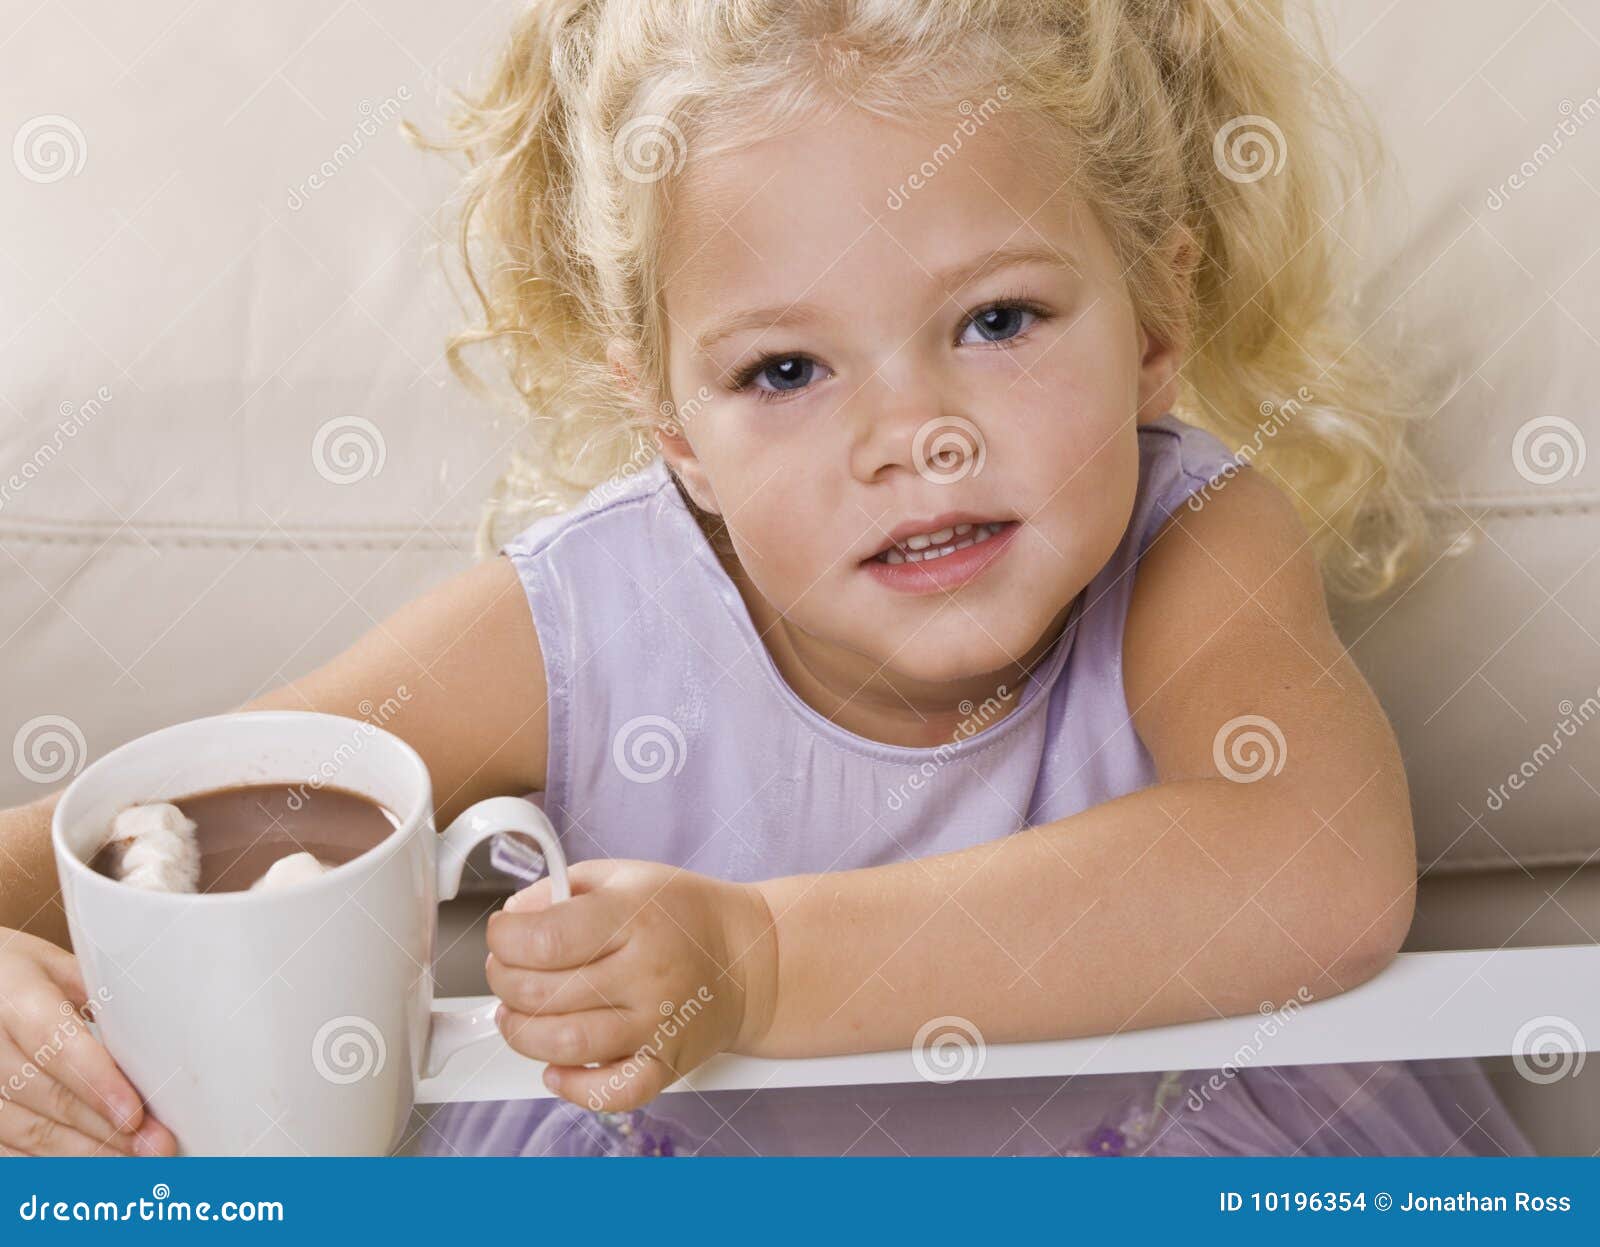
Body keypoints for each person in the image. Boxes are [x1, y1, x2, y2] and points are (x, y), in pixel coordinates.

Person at [0, 0, 1532, 1158]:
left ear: (1151, 318)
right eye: (787, 368)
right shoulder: (583, 629)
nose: (911, 434)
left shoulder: (1198, 545)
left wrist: (764, 962)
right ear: (672, 427)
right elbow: (159, 823)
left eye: (997, 321)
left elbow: (1318, 873)